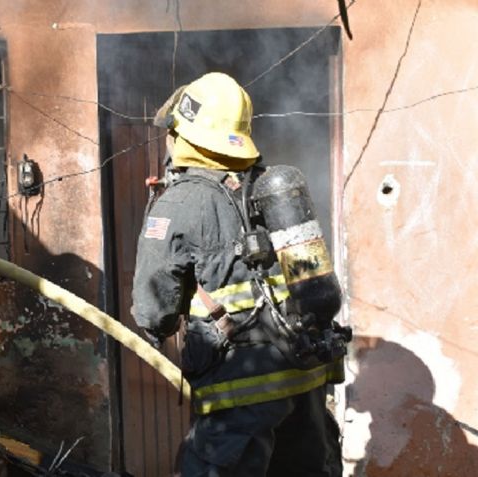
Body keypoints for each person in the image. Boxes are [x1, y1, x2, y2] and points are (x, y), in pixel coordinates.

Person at [131, 72, 347, 476]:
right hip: (306, 375)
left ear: (184, 136)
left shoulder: (179, 203)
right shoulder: (270, 186)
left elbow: (151, 311)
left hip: (241, 390)